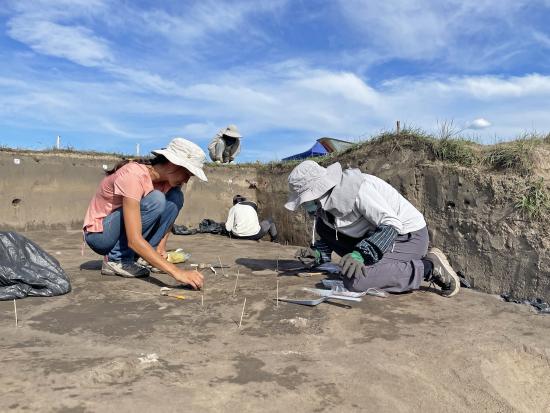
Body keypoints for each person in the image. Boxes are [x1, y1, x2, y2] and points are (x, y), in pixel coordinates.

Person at [285, 160, 460, 297]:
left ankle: (429, 267)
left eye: (304, 201)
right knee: (326, 230)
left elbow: (391, 224)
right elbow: (335, 235)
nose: (304, 206)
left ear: (317, 194)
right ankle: (390, 264)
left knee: (357, 280)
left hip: (407, 236)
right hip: (375, 236)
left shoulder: (358, 189)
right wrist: (318, 254)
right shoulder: (324, 211)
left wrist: (361, 255)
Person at [83, 137, 205, 289]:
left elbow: (167, 220)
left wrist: (160, 249)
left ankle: (146, 256)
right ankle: (116, 259)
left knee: (175, 198)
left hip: (122, 231)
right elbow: (134, 239)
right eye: (187, 174)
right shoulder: (133, 175)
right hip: (100, 235)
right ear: (174, 164)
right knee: (156, 199)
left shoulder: (168, 184)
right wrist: (177, 272)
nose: (186, 180)